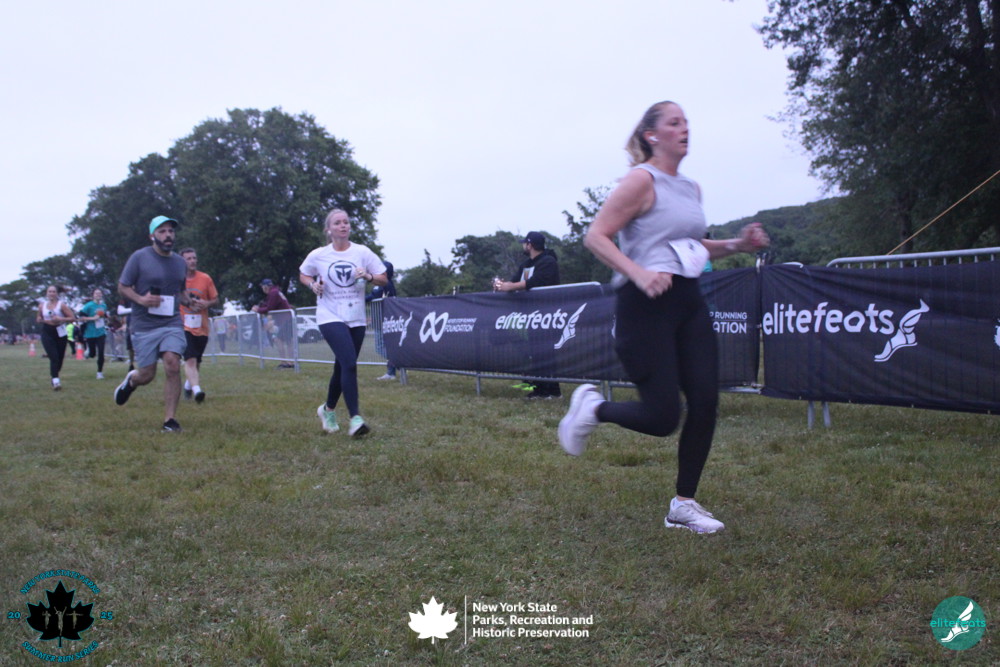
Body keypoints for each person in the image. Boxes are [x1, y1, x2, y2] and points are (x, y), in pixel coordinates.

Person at [558, 101, 769, 534]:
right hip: (644, 304)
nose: (684, 128)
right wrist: (638, 273)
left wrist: (738, 245)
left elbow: (693, 245)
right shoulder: (641, 180)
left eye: (686, 122)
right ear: (652, 135)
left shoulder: (690, 188)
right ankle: (594, 408)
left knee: (706, 401)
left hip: (688, 299)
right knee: (662, 418)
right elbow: (596, 236)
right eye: (674, 123)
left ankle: (683, 505)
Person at [299, 208, 387, 436]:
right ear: (329, 229)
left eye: (346, 222)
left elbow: (383, 278)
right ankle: (355, 419)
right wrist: (312, 285)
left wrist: (368, 276)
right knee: (349, 363)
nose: (343, 226)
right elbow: (304, 274)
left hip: (356, 317)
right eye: (337, 223)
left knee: (342, 365)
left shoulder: (362, 252)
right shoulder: (319, 254)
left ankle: (327, 409)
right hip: (329, 315)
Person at [113, 215, 191, 432]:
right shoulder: (139, 257)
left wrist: (190, 301)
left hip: (172, 322)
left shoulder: (180, 262)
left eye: (171, 231)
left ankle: (170, 420)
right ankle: (132, 381)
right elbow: (122, 287)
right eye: (162, 231)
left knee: (172, 364)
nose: (168, 235)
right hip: (144, 325)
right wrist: (141, 299)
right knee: (147, 375)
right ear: (152, 236)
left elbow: (180, 291)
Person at [494, 231, 562, 398]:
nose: (523, 246)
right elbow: (514, 281)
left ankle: (551, 391)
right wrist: (501, 285)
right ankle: (539, 389)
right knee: (535, 352)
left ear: (530, 245)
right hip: (530, 315)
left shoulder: (548, 261)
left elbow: (536, 282)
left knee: (546, 352)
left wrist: (511, 286)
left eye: (525, 243)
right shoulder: (525, 264)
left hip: (547, 314)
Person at [179, 247, 219, 403]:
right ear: (182, 262)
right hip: (183, 326)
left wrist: (206, 303)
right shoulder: (178, 279)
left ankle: (188, 387)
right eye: (188, 259)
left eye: (194, 258)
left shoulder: (205, 278)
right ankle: (197, 391)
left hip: (201, 327)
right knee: (190, 359)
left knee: (197, 361)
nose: (192, 261)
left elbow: (215, 299)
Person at [36, 285, 76, 390]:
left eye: (53, 291)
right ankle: (56, 381)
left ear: (57, 293)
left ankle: (54, 376)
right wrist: (40, 319)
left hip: (60, 332)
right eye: (50, 291)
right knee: (53, 357)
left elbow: (72, 318)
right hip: (47, 332)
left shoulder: (61, 305)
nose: (51, 293)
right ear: (47, 293)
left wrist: (60, 319)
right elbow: (39, 317)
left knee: (59, 358)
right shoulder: (42, 305)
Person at [366, 260, 398, 381]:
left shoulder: (385, 284)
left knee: (380, 347)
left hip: (383, 319)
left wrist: (357, 298)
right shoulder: (383, 283)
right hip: (381, 318)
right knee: (386, 346)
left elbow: (373, 296)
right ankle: (391, 372)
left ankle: (398, 361)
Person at [252, 278, 294, 368]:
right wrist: (260, 307)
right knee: (288, 341)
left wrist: (258, 310)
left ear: (265, 287)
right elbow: (269, 305)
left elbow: (270, 308)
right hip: (287, 319)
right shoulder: (276, 291)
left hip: (285, 319)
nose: (262, 289)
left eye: (262, 287)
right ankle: (291, 362)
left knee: (279, 339)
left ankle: (285, 362)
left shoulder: (273, 293)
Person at [78, 288, 109, 379]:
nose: (98, 295)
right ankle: (88, 351)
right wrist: (93, 318)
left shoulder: (104, 305)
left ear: (102, 295)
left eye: (100, 293)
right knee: (92, 354)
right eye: (96, 293)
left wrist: (106, 318)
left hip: (101, 332)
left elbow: (104, 315)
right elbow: (81, 318)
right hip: (90, 333)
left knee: (101, 352)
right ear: (93, 295)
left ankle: (99, 372)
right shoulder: (88, 305)